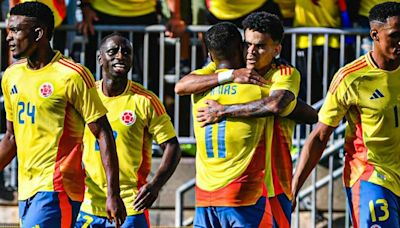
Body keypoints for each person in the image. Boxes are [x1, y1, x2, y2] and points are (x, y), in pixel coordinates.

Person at [176, 12, 318, 227]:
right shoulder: (227, 70)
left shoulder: (283, 74)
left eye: (260, 46)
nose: (251, 52)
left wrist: (224, 110)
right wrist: (230, 75)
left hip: (274, 185)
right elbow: (181, 86)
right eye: (247, 44)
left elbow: (276, 104)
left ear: (276, 49)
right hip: (238, 188)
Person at [1, 2, 126, 227]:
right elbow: (11, 138)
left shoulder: (72, 75)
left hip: (58, 188)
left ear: (39, 33)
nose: (9, 37)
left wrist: (113, 193)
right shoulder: (11, 75)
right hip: (26, 189)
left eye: (16, 30)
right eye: (9, 30)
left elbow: (103, 132)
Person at [291, 2, 400, 228]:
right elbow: (321, 136)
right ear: (374, 35)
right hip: (372, 176)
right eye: (395, 35)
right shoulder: (351, 78)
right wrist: (294, 187)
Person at [75, 33, 181, 227]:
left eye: (126, 52)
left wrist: (155, 186)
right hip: (88, 204)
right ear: (100, 58)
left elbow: (172, 146)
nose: (120, 56)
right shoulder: (85, 97)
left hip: (130, 205)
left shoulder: (145, 100)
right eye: (113, 51)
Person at [190, 21, 270, 227]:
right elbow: (306, 114)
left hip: (204, 195)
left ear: (209, 55)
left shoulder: (197, 90)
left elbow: (181, 85)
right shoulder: (258, 88)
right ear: (241, 49)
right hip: (243, 194)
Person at [77, 0, 185, 92]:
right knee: (98, 78)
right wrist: (86, 7)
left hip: (145, 17)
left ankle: (148, 115)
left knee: (149, 79)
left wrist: (175, 17)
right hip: (103, 15)